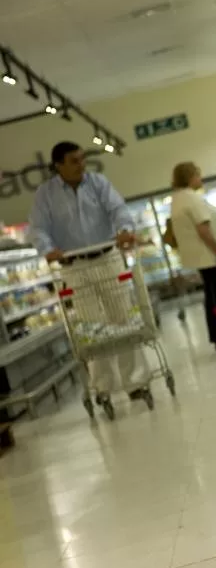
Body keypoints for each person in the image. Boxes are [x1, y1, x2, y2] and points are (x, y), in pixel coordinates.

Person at [29, 141, 152, 402]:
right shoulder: (45, 194)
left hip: (108, 258)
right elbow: (38, 227)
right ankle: (103, 388)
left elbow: (117, 209)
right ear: (58, 165)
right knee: (91, 327)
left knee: (123, 320)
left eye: (83, 159)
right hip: (74, 266)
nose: (81, 165)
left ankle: (136, 382)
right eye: (74, 161)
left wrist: (124, 230)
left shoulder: (97, 183)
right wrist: (47, 248)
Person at [168, 162, 216, 352]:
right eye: (197, 175)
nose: (200, 179)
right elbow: (203, 230)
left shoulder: (178, 199)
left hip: (200, 257)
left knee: (212, 295)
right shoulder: (190, 198)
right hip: (207, 255)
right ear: (189, 177)